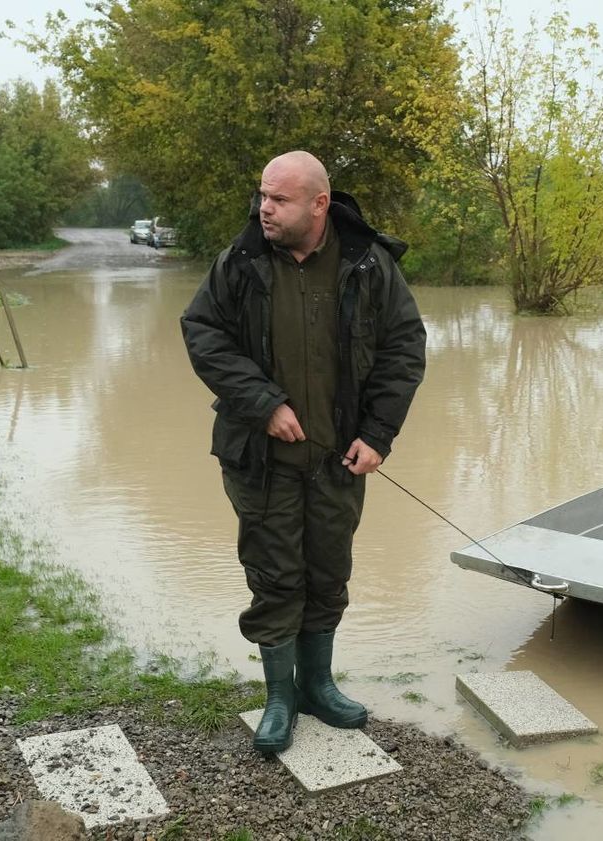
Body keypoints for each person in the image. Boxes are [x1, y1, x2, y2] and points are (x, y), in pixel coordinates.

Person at [180, 151, 426, 753]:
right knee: (275, 577)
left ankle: (318, 685)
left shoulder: (368, 263)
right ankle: (280, 698)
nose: (264, 208)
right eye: (262, 196)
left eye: (279, 200)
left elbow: (404, 347)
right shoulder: (239, 263)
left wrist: (378, 433)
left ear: (319, 204)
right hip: (260, 461)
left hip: (341, 459)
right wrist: (262, 402)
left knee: (328, 573)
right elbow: (202, 333)